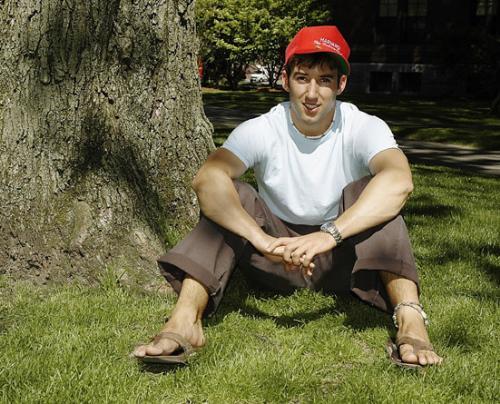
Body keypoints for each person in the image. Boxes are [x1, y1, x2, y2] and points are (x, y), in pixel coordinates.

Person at [133, 26, 442, 368]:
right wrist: (262, 240)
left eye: (325, 80)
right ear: (285, 80)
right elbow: (208, 179)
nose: (312, 93)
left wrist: (328, 235)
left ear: (341, 84)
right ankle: (185, 320)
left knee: (372, 193)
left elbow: (399, 181)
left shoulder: (363, 126)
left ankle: (410, 320)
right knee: (235, 193)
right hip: (274, 259)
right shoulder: (262, 128)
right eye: (302, 78)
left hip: (341, 258)